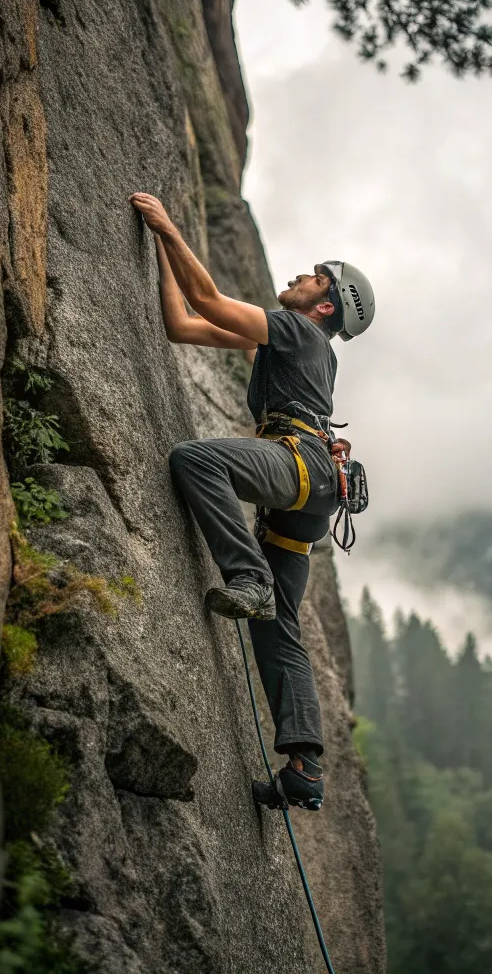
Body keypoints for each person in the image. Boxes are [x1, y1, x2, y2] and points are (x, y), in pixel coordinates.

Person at [129, 192, 375, 811]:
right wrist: (163, 252)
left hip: (299, 465)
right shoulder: (299, 346)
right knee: (279, 625)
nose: (296, 275)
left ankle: (246, 575)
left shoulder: (296, 330)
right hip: (312, 492)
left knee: (197, 459)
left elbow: (207, 301)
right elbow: (183, 325)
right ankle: (303, 764)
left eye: (312, 276)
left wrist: (167, 224)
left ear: (323, 304)